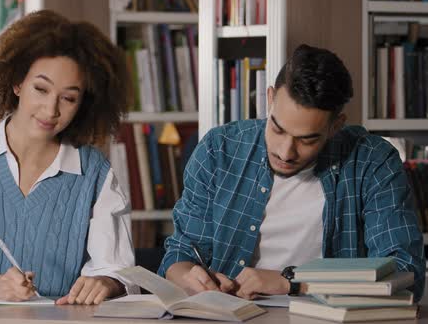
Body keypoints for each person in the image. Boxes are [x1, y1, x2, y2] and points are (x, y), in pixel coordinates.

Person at [158, 44, 425, 301]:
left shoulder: (373, 162)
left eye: (306, 140)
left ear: (335, 126)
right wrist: (186, 277)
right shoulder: (220, 150)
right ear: (270, 98)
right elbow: (181, 252)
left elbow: (405, 273)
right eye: (278, 128)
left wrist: (292, 282)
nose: (286, 152)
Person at [0, 10, 137, 305]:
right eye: (41, 89)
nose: (51, 110)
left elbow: (118, 270)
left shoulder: (96, 173)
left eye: (69, 98)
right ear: (16, 83)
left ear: (85, 103)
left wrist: (107, 283)